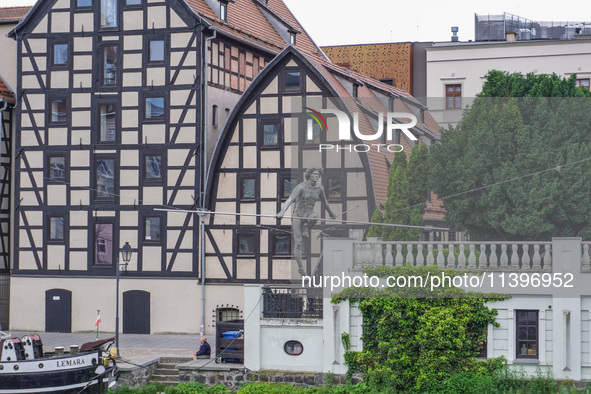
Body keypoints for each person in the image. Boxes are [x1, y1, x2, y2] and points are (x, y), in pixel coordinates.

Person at [277, 166, 336, 276]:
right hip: (298, 215)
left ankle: (306, 228)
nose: (316, 176)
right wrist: (282, 212)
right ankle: (301, 269)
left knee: (315, 217)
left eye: (318, 175)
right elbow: (290, 200)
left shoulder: (320, 188)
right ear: (309, 175)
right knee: (298, 243)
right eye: (314, 174)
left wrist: (331, 213)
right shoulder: (301, 187)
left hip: (309, 214)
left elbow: (325, 203)